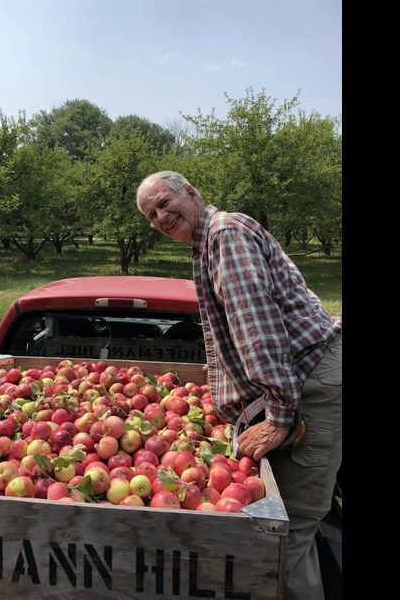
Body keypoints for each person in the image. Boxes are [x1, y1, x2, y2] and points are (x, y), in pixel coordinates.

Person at [136, 170, 342, 600]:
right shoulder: (211, 239)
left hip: (307, 389)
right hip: (309, 379)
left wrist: (280, 416)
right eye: (151, 215)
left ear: (191, 192)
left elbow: (257, 329)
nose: (159, 216)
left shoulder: (224, 235)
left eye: (164, 203)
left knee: (288, 537)